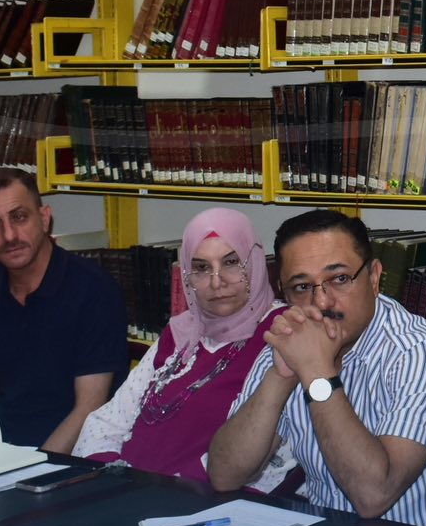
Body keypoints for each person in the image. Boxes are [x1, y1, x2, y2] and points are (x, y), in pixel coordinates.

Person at [207, 210, 426, 526]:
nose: (322, 302)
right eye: (302, 286)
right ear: (284, 293)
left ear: (374, 277)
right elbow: (224, 476)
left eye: (339, 279)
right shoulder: (295, 340)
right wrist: (279, 378)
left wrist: (317, 374)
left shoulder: (421, 354)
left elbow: (374, 496)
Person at [74, 207, 290, 486]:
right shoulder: (181, 331)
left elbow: (273, 459)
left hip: (203, 501)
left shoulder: (282, 333)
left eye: (231, 262)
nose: (217, 282)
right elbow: (107, 421)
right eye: (201, 268)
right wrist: (111, 480)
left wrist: (166, 495)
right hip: (125, 491)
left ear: (255, 262)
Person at [0, 167, 125, 453]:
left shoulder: (93, 288)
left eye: (19, 217)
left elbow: (89, 408)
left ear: (44, 218)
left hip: (76, 455)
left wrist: (35, 468)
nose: (9, 235)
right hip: (3, 449)